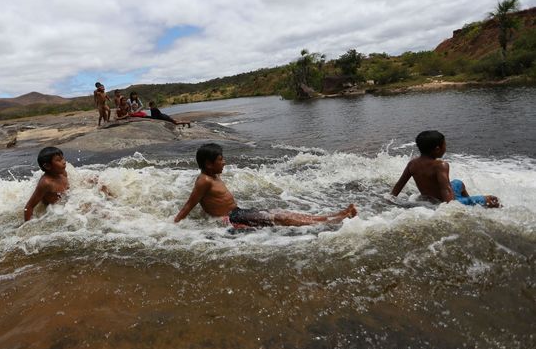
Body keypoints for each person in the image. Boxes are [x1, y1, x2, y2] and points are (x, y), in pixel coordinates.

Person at [174, 143, 357, 226]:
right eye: (221, 160)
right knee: (280, 218)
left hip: (239, 212)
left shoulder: (212, 175)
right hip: (233, 218)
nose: (224, 162)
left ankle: (331, 216)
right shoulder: (204, 180)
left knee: (280, 212)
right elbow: (190, 204)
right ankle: (332, 220)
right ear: (208, 164)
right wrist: (173, 226)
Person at [391, 130, 500, 207]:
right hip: (445, 202)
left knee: (458, 183)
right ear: (437, 149)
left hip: (429, 199)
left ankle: (470, 205)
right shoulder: (440, 165)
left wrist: (390, 199)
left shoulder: (412, 164)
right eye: (445, 145)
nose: (445, 148)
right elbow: (446, 189)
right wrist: (451, 209)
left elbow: (399, 184)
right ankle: (467, 204)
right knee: (492, 199)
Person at [24, 147, 70, 221]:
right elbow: (29, 206)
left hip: (66, 205)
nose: (64, 162)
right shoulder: (46, 183)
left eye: (63, 158)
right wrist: (26, 226)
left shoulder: (62, 173)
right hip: (52, 212)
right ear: (47, 166)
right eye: (59, 160)